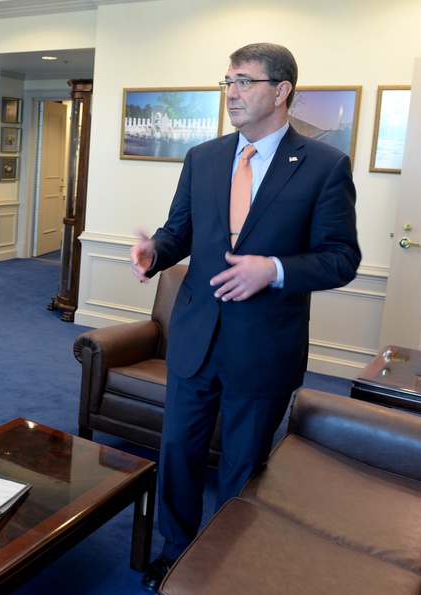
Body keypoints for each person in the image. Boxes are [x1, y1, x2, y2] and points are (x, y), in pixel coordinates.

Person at [131, 43, 360, 592]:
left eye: (244, 81)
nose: (231, 92)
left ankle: (226, 564)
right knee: (179, 454)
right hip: (194, 337)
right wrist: (155, 254)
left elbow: (341, 258)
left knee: (241, 465)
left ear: (281, 92)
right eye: (226, 81)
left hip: (264, 345)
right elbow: (178, 231)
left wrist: (274, 269)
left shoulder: (325, 166)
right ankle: (175, 550)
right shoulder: (204, 157)